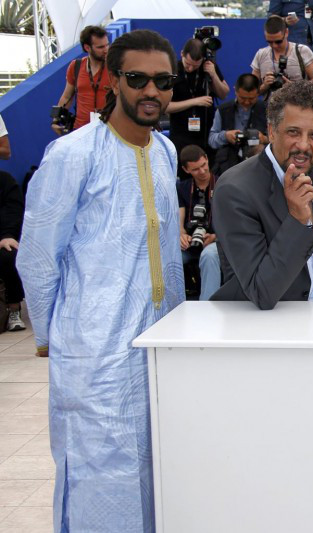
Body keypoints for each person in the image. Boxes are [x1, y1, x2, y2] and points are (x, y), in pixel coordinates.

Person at [17, 29, 184, 531]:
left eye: (163, 81)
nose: (151, 92)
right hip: (94, 353)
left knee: (157, 468)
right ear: (113, 80)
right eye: (137, 79)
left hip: (157, 343)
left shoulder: (166, 152)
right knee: (98, 475)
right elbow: (39, 257)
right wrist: (52, 338)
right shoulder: (72, 154)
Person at [211, 80, 313, 309]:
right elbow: (262, 292)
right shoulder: (235, 189)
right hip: (257, 331)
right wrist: (297, 219)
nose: (304, 145)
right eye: (293, 132)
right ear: (271, 131)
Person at [166, 38, 229, 169]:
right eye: (187, 64)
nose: (190, 68)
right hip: (181, 132)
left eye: (195, 65)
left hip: (206, 129)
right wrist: (195, 101)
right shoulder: (172, 70)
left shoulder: (208, 68)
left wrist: (213, 75)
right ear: (182, 54)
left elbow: (224, 93)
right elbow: (165, 107)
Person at [178, 146, 221, 300]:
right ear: (185, 169)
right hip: (191, 243)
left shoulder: (223, 183)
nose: (202, 171)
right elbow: (179, 222)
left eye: (204, 165)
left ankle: (207, 310)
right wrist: (182, 235)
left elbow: (234, 221)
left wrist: (215, 236)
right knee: (172, 256)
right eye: (196, 169)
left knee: (209, 256)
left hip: (217, 241)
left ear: (207, 159)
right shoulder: (182, 188)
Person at [52, 25, 110, 134]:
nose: (106, 50)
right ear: (87, 48)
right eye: (101, 47)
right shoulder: (76, 66)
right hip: (81, 131)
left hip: (109, 130)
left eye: (107, 45)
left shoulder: (115, 67)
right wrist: (56, 120)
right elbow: (67, 96)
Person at [208, 73, 268, 175]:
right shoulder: (223, 110)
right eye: (243, 98)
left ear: (258, 93)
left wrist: (264, 139)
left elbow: (279, 137)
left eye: (251, 99)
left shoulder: (267, 109)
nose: (247, 102)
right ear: (235, 91)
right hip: (228, 164)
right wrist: (225, 136)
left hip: (258, 162)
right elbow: (211, 140)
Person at [251, 15, 313, 96]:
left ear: (286, 33)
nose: (274, 45)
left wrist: (293, 87)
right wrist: (264, 86)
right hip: (270, 106)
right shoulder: (261, 54)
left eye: (278, 41)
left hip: (298, 105)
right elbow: (251, 93)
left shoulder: (302, 51)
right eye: (269, 42)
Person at [0, 171, 24, 331]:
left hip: (2, 238)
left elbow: (14, 210)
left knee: (9, 254)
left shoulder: (5, 180)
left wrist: (7, 235)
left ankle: (14, 309)